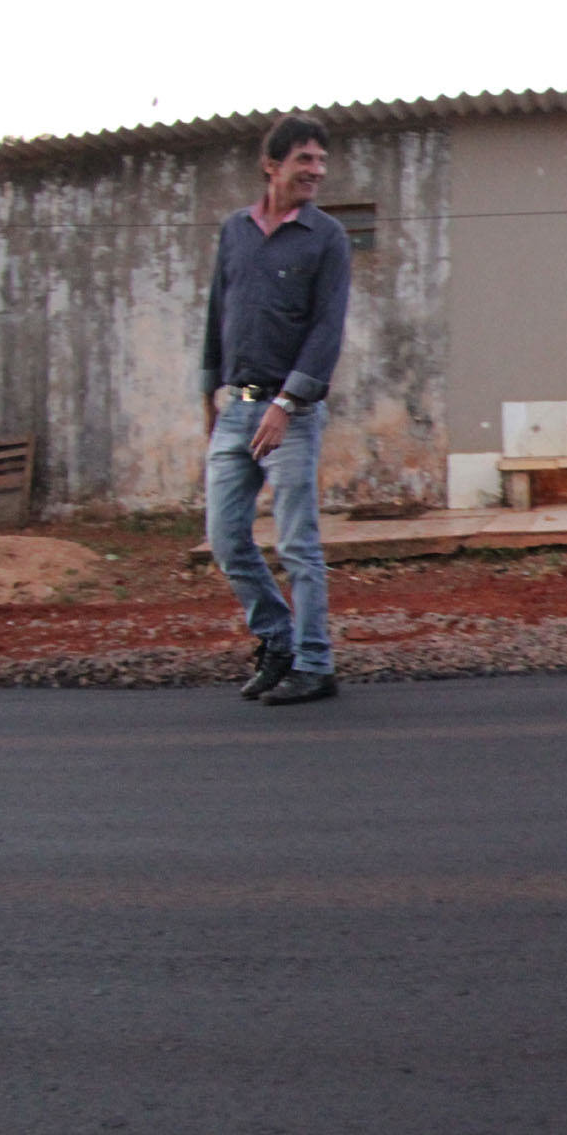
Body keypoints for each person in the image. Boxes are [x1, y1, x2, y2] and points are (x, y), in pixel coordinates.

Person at [201, 115, 352, 706]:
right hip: (235, 410)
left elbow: (326, 330)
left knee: (296, 543)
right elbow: (218, 313)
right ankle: (276, 640)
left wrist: (287, 403)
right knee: (224, 538)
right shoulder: (234, 231)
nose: (316, 171)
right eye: (305, 160)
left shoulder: (326, 237)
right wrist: (207, 398)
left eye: (321, 161)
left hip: (292, 412)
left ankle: (316, 664)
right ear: (272, 166)